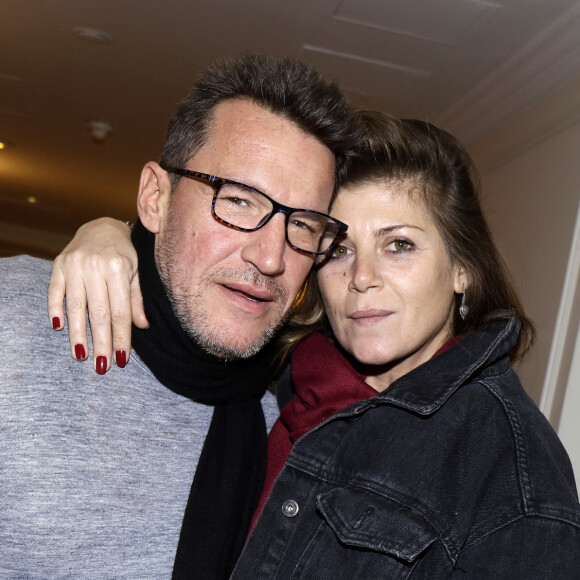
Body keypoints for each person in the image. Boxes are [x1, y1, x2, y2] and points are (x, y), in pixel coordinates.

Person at [52, 111, 580, 577]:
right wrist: (113, 233)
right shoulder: (279, 373)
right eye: (341, 249)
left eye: (399, 245)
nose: (363, 278)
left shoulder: (512, 473)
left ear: (463, 268)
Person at [0, 54, 361, 579]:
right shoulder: (14, 322)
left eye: (303, 225)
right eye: (238, 201)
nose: (270, 257)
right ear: (155, 199)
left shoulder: (295, 422)